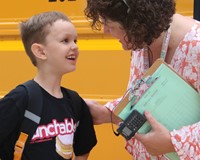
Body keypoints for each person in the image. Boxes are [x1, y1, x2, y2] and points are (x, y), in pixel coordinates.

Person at [84, 0, 200, 159]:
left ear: (134, 21)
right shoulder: (142, 39)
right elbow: (146, 100)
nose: (105, 31)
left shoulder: (196, 44)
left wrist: (173, 142)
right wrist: (107, 114)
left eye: (108, 23)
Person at [0, 11, 97, 160]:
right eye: (65, 40)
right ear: (40, 51)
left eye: (75, 41)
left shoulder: (75, 102)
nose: (75, 47)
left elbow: (84, 147)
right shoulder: (20, 99)